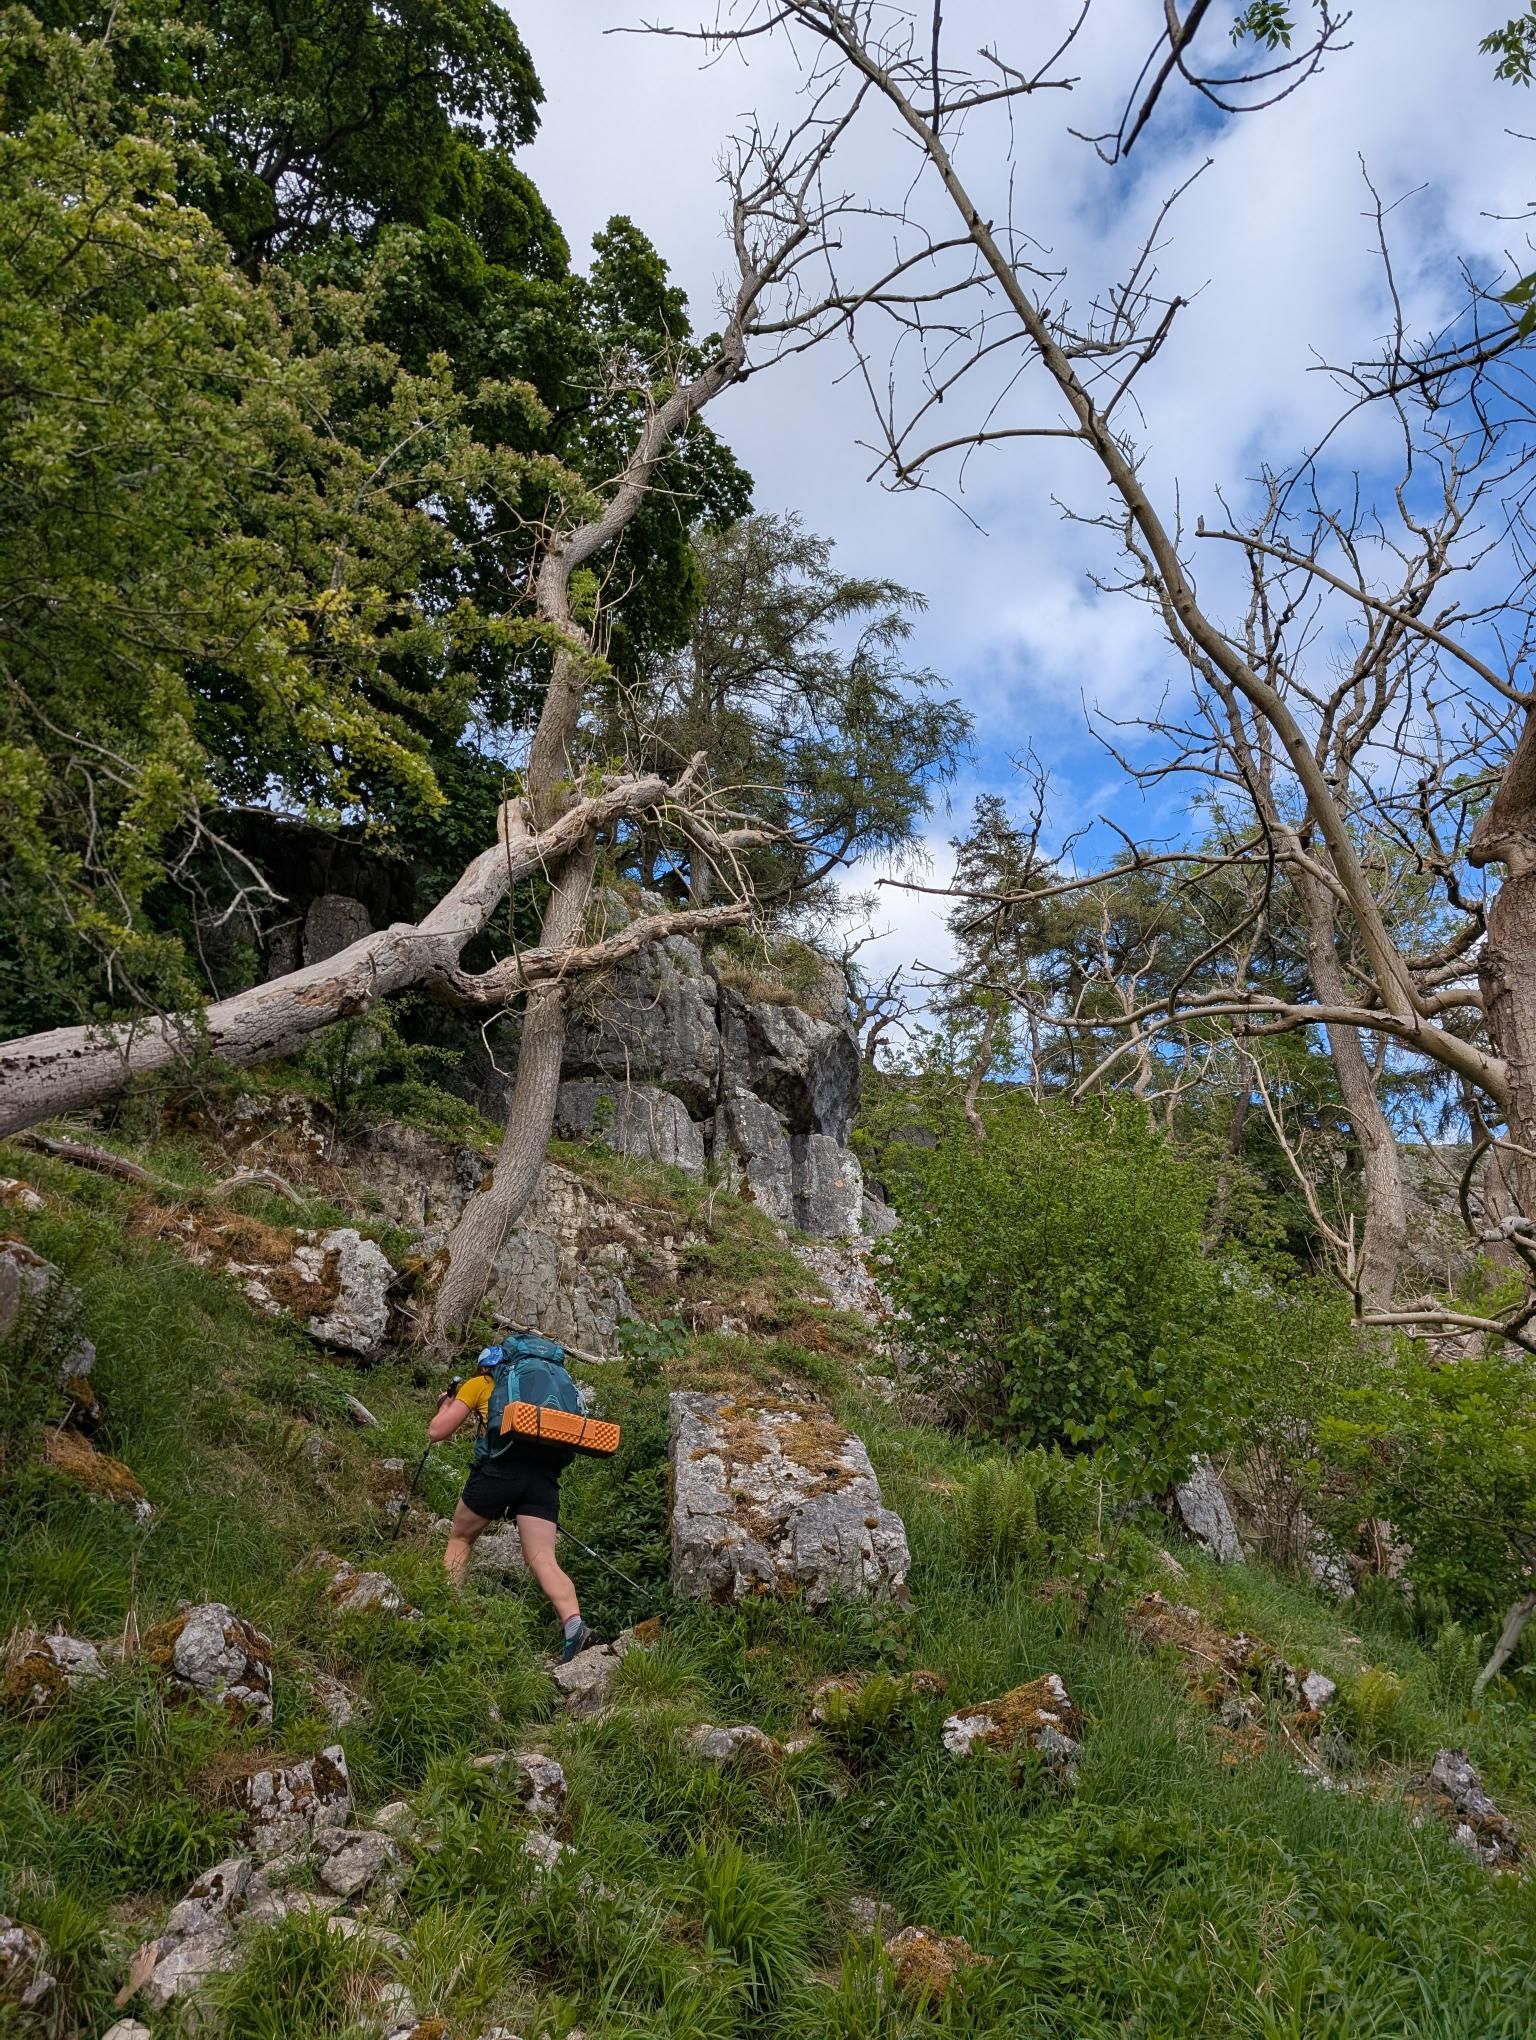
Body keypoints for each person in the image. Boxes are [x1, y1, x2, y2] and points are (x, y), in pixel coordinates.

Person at [427, 1355, 595, 1661]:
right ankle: (574, 1626)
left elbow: (438, 1432)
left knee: (461, 1537)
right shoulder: (542, 1399)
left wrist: (445, 1405)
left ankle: (446, 1613)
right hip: (543, 1476)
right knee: (543, 1557)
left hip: (498, 1471)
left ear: (485, 1367)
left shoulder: (480, 1384)